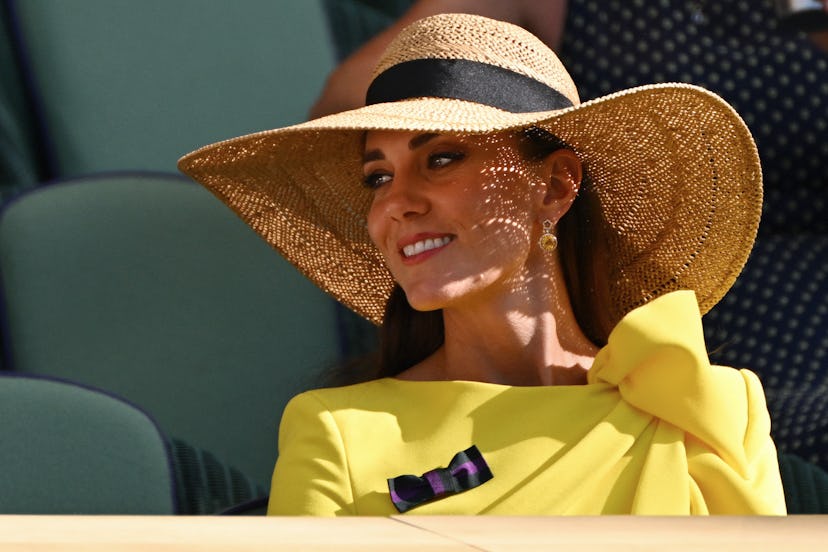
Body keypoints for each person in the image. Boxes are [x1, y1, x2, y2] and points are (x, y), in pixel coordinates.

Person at [179, 13, 786, 515]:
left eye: (441, 158)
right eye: (378, 177)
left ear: (556, 186)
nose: (396, 203)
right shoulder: (340, 430)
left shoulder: (702, 402)